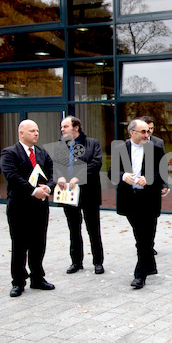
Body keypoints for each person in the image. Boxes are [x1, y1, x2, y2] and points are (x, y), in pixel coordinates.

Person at [0, 119, 55, 297]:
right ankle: (18, 282)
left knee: (38, 244)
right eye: (32, 131)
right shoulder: (9, 153)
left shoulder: (42, 153)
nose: (36, 133)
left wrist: (48, 187)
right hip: (19, 207)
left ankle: (37, 278)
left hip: (40, 208)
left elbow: (52, 173)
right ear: (21, 133)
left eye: (37, 130)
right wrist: (33, 192)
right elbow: (12, 176)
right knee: (19, 245)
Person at [112, 119, 167, 289]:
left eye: (148, 132)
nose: (146, 135)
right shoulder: (119, 149)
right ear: (132, 133)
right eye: (143, 132)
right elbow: (111, 172)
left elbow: (163, 173)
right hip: (130, 198)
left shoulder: (155, 150)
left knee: (145, 237)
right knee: (141, 236)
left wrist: (149, 179)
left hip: (149, 198)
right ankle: (150, 265)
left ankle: (139, 275)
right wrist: (122, 176)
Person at [56, 116, 105, 275]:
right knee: (73, 229)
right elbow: (55, 166)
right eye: (62, 127)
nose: (62, 129)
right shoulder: (60, 146)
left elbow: (96, 163)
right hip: (68, 195)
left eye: (65, 126)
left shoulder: (92, 143)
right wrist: (60, 176)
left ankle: (98, 262)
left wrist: (78, 176)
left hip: (88, 192)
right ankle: (76, 262)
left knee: (93, 229)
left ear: (75, 127)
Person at [139, 115, 169, 255]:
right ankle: (141, 242)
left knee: (152, 218)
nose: (149, 131)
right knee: (140, 218)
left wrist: (165, 184)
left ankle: (149, 244)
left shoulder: (158, 142)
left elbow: (162, 164)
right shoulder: (132, 143)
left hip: (154, 185)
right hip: (137, 186)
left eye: (151, 128)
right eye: (146, 128)